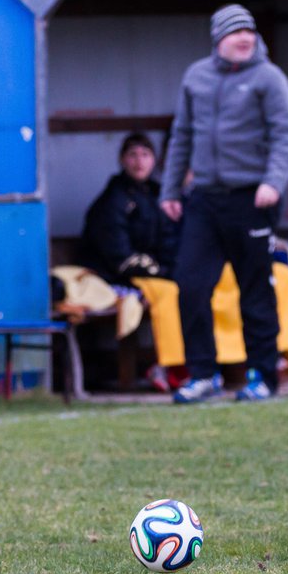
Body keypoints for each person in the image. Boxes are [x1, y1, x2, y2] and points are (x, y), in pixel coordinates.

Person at [160, 4, 288, 403]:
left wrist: (273, 183)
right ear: (218, 39)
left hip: (252, 197)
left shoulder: (269, 78)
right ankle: (203, 374)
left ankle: (263, 375)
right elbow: (181, 136)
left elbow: (285, 135)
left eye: (249, 31)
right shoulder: (196, 77)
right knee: (188, 285)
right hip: (203, 199)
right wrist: (170, 191)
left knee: (254, 289)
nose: (244, 38)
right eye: (235, 32)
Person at [77, 132, 186, 391]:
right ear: (122, 160)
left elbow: (171, 240)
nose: (139, 161)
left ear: (155, 160)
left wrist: (170, 268)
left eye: (145, 155)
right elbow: (118, 255)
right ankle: (168, 366)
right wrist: (162, 272)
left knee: (191, 289)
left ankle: (191, 367)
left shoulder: (160, 195)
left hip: (153, 273)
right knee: (168, 292)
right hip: (116, 276)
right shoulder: (113, 199)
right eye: (133, 155)